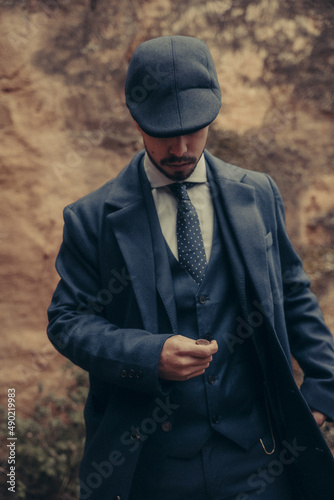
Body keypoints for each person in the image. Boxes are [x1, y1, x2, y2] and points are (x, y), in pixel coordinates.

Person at [47, 36, 334, 500]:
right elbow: (66, 322)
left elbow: (293, 289)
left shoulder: (258, 193)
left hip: (259, 461)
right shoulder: (91, 217)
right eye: (164, 131)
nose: (181, 146)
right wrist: (148, 355)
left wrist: (323, 389)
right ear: (137, 120)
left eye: (195, 129)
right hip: (151, 471)